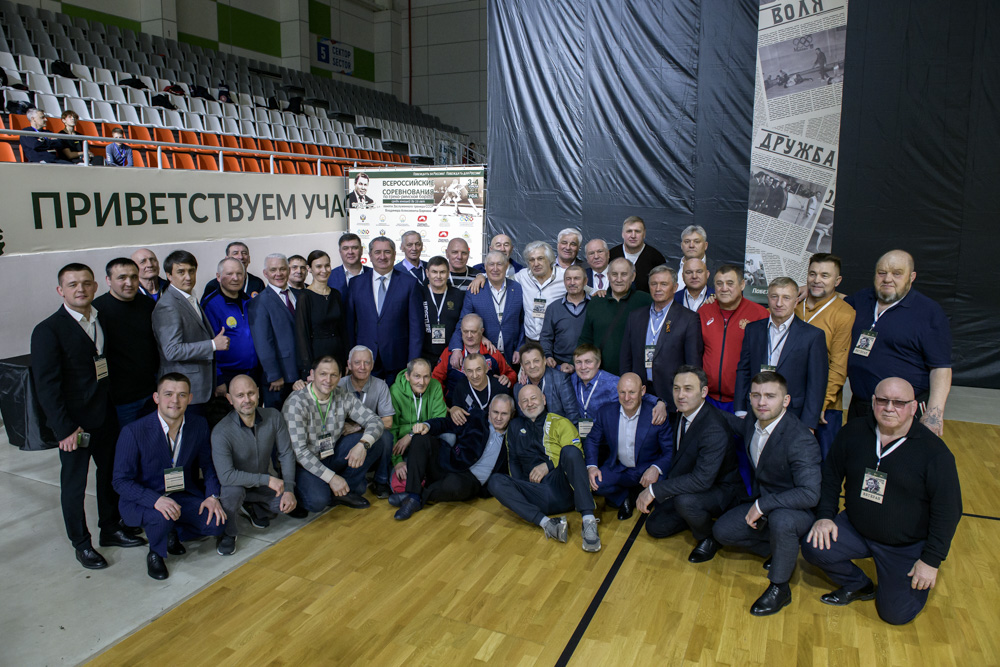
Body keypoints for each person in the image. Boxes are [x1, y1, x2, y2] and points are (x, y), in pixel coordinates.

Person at [801, 377, 962, 625]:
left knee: (896, 615)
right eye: (883, 400)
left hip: (904, 544)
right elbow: (831, 476)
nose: (889, 408)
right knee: (814, 545)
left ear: (913, 407)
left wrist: (931, 561)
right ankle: (859, 584)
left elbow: (948, 512)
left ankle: (897, 578)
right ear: (873, 402)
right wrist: (824, 516)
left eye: (899, 403)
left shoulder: (934, 453)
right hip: (856, 527)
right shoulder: (853, 432)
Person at [32, 263, 147, 569]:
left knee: (109, 474)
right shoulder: (48, 330)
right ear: (61, 290)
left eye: (86, 283)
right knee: (74, 485)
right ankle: (81, 543)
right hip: (75, 426)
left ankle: (109, 528)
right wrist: (64, 429)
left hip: (105, 416)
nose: (80, 289)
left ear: (96, 286)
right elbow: (47, 388)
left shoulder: (100, 318)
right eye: (72, 285)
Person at [712, 371, 821, 616]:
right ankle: (780, 547)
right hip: (765, 502)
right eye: (756, 395)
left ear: (786, 400)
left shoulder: (800, 439)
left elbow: (810, 494)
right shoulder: (754, 420)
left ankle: (780, 587)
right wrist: (699, 406)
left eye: (770, 396)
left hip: (796, 510)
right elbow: (738, 426)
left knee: (782, 521)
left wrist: (763, 505)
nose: (762, 402)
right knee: (722, 532)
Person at [113, 373, 226, 579]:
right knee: (161, 517)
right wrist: (155, 500)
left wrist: (212, 496)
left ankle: (173, 531)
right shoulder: (134, 431)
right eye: (168, 394)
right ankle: (156, 553)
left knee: (216, 522)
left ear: (190, 399)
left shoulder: (198, 424)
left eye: (182, 395)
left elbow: (208, 465)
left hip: (180, 493)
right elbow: (120, 481)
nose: (175, 400)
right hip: (145, 499)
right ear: (156, 397)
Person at [638, 366, 741, 563]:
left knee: (685, 502)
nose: (680, 395)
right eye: (676, 388)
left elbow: (702, 480)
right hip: (692, 483)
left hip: (720, 490)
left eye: (688, 389)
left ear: (704, 392)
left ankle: (708, 537)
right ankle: (693, 517)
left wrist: (653, 490)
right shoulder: (684, 413)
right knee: (655, 527)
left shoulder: (713, 428)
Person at [844, 250, 951, 436]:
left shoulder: (929, 312)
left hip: (901, 410)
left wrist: (935, 414)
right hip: (861, 405)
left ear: (912, 277)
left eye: (897, 273)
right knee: (857, 453)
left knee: (899, 455)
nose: (888, 279)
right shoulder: (862, 299)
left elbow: (941, 368)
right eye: (882, 273)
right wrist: (808, 291)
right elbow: (837, 301)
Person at [488, 386, 601, 551]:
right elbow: (514, 461)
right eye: (525, 401)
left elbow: (576, 457)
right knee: (495, 481)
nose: (530, 403)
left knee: (570, 451)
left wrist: (548, 465)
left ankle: (588, 520)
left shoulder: (561, 422)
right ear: (519, 405)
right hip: (535, 494)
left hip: (562, 488)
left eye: (533, 398)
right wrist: (522, 490)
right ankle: (547, 523)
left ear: (544, 399)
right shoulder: (514, 426)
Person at [282, 356, 384, 512]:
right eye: (323, 374)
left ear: (340, 376)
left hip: (329, 453)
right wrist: (332, 478)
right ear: (312, 374)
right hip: (302, 464)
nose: (328, 380)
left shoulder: (341, 395)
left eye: (333, 375)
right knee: (317, 501)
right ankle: (322, 489)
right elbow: (300, 453)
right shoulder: (296, 403)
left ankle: (343, 490)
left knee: (375, 442)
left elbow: (375, 421)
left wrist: (363, 445)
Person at [211, 375, 297, 555]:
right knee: (233, 493)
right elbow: (226, 476)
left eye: (250, 393)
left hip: (261, 483)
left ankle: (251, 505)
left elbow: (286, 453)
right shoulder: (221, 432)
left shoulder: (273, 416)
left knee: (284, 505)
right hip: (235, 485)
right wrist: (268, 480)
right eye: (240, 395)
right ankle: (228, 532)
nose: (247, 400)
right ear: (230, 399)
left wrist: (289, 489)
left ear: (258, 393)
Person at [391, 394, 514, 520]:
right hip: (451, 463)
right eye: (495, 412)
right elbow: (447, 424)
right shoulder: (476, 418)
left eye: (504, 414)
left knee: (455, 484)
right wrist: (427, 425)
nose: (498, 418)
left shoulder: (513, 436)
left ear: (511, 414)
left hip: (470, 481)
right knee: (420, 438)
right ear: (489, 410)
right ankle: (413, 495)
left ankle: (414, 497)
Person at [734, 277, 828, 430]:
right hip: (755, 410)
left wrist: (809, 425)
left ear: (796, 301)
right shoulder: (753, 330)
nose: (779, 303)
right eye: (774, 297)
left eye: (786, 298)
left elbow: (816, 384)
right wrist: (740, 409)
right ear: (768, 298)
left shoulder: (813, 336)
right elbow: (743, 370)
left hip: (793, 413)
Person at [585, 373, 673, 520]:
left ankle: (639, 492)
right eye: (622, 392)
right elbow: (592, 439)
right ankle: (626, 497)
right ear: (617, 391)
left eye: (632, 392)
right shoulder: (605, 412)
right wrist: (592, 467)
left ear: (642, 391)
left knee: (663, 493)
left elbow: (670, 451)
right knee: (596, 484)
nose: (626, 398)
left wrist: (656, 468)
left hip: (646, 468)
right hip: (619, 468)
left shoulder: (656, 414)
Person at [152, 250, 231, 411]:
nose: (188, 277)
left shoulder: (188, 297)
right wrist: (212, 345)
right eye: (181, 272)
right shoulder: (168, 305)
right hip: (184, 389)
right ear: (169, 275)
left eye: (191, 271)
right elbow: (172, 350)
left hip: (201, 386)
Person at [794, 253, 856, 458]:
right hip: (790, 399)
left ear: (837, 281)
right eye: (812, 274)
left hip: (825, 406)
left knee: (823, 462)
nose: (817, 280)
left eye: (825, 275)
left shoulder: (844, 313)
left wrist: (821, 404)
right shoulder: (793, 305)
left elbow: (838, 365)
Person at [620, 266, 703, 414]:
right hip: (638, 394)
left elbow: (692, 363)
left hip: (672, 395)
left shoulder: (688, 319)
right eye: (654, 284)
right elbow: (626, 357)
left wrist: (685, 395)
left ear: (675, 287)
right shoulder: (635, 316)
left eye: (664, 284)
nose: (658, 288)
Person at [345, 236, 424, 380]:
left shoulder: (410, 283)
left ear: (394, 254)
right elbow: (349, 326)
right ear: (370, 255)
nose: (382, 257)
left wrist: (413, 362)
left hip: (398, 360)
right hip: (364, 361)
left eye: (387, 252)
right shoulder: (356, 284)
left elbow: (416, 328)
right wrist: (350, 358)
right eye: (377, 252)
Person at [93, 258, 159, 427]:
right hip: (121, 399)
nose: (129, 283)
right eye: (122, 277)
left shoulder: (147, 304)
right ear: (108, 280)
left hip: (151, 391)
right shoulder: (97, 310)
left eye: (134, 277)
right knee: (128, 440)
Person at [700, 264, 768, 411]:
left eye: (730, 283)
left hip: (742, 399)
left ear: (742, 285)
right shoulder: (704, 311)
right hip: (707, 397)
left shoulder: (759, 314)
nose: (724, 288)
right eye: (719, 283)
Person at [338, 346, 395, 499]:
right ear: (349, 365)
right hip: (344, 436)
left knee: (386, 436)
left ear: (372, 365)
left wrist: (357, 428)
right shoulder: (338, 385)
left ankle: (381, 480)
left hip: (368, 434)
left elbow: (388, 421)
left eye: (367, 362)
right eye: (357, 362)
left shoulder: (380, 385)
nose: (362, 367)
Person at [578, 258, 652, 376]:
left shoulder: (645, 301)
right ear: (608, 276)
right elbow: (586, 339)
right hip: (601, 374)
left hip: (634, 375)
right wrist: (574, 363)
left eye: (624, 274)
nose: (618, 279)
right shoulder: (596, 302)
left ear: (633, 276)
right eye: (614, 274)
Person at [449, 250, 523, 366]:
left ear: (506, 266)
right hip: (484, 356)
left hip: (513, 355)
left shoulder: (518, 288)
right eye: (491, 264)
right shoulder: (474, 290)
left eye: (499, 264)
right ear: (485, 267)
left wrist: (520, 348)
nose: (495, 269)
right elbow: (463, 321)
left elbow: (523, 322)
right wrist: (456, 348)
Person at [249, 253, 304, 409]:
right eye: (273, 270)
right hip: (279, 378)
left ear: (288, 270)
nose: (278, 274)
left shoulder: (299, 295)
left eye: (282, 269)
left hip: (301, 373)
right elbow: (263, 342)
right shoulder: (259, 302)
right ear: (265, 273)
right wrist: (273, 374)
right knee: (278, 418)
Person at [202, 258, 259, 401]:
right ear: (218, 277)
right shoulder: (210, 305)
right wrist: (218, 379)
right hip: (227, 375)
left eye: (239, 274)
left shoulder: (250, 301)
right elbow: (208, 345)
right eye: (229, 274)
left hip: (253, 372)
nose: (235, 278)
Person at [388, 358, 448, 490]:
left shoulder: (435, 386)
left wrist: (411, 435)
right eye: (417, 376)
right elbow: (392, 428)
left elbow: (439, 420)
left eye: (426, 377)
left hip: (425, 440)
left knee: (450, 437)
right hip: (402, 448)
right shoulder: (395, 391)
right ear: (407, 376)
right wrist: (397, 461)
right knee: (398, 484)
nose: (422, 382)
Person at [433, 314, 516, 397]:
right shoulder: (450, 353)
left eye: (473, 332)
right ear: (461, 330)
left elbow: (511, 374)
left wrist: (507, 379)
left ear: (481, 331)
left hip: (486, 402)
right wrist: (441, 402)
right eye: (465, 331)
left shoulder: (492, 353)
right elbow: (436, 379)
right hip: (453, 402)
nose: (469, 336)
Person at [295, 250, 348, 376]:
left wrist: (346, 360)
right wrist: (308, 368)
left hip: (338, 354)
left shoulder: (335, 294)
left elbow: (343, 330)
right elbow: (302, 335)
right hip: (317, 355)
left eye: (327, 265)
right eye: (318, 266)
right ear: (309, 269)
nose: (324, 270)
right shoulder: (305, 296)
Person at [513, 342, 580, 423]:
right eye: (527, 363)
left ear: (544, 360)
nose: (532, 366)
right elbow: (523, 420)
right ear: (522, 366)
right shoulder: (518, 388)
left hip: (559, 428)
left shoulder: (561, 380)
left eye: (536, 361)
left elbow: (572, 415)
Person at [539, 264, 590, 371]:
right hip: (559, 364)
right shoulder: (553, 308)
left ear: (585, 281)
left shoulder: (594, 306)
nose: (572, 282)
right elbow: (546, 337)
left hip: (588, 364)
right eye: (568, 279)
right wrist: (548, 355)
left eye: (576, 278)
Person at [420, 255, 465, 361]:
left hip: (451, 354)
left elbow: (462, 323)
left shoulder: (458, 295)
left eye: (442, 272)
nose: (438, 276)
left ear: (448, 273)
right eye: (434, 272)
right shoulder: (419, 293)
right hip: (423, 354)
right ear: (427, 273)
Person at [448, 353, 512, 425]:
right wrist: (454, 409)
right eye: (470, 371)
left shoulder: (501, 387)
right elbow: (456, 407)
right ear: (465, 372)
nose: (475, 376)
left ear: (486, 368)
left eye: (478, 369)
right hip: (471, 429)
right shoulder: (460, 387)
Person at [608, 216, 666, 293]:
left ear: (644, 234)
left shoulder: (656, 258)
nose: (633, 236)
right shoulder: (611, 255)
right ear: (622, 234)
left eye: (637, 231)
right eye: (629, 231)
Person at [676, 225, 713, 290]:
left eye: (696, 242)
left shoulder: (719, 270)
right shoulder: (667, 268)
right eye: (687, 242)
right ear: (681, 245)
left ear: (705, 245)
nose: (691, 245)